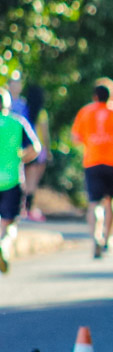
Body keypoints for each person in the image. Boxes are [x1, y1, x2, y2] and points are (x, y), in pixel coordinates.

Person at [71, 78, 113, 259]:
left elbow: (75, 137)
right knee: (112, 201)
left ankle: (95, 237)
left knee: (94, 203)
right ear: (112, 95)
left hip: (92, 162)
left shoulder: (85, 112)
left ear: (94, 96)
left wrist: (91, 140)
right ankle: (109, 238)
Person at [0, 88, 41, 273]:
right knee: (11, 223)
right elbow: (36, 148)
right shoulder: (17, 122)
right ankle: (4, 244)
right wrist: (22, 158)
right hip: (12, 180)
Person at [22, 84, 51, 222]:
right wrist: (48, 151)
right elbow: (45, 135)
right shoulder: (41, 113)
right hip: (38, 149)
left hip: (24, 148)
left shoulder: (23, 109)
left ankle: (23, 208)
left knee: (24, 180)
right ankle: (29, 210)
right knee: (33, 183)